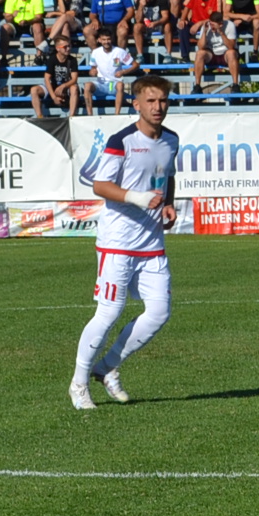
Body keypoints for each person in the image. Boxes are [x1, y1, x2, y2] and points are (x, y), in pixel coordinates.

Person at [71, 76, 178, 410]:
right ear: (136, 104)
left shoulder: (171, 139)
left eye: (162, 100)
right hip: (118, 241)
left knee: (159, 312)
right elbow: (100, 185)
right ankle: (78, 384)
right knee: (109, 313)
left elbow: (168, 174)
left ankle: (106, 367)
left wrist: (169, 202)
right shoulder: (122, 141)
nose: (157, 107)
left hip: (152, 243)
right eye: (150, 101)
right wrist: (138, 197)